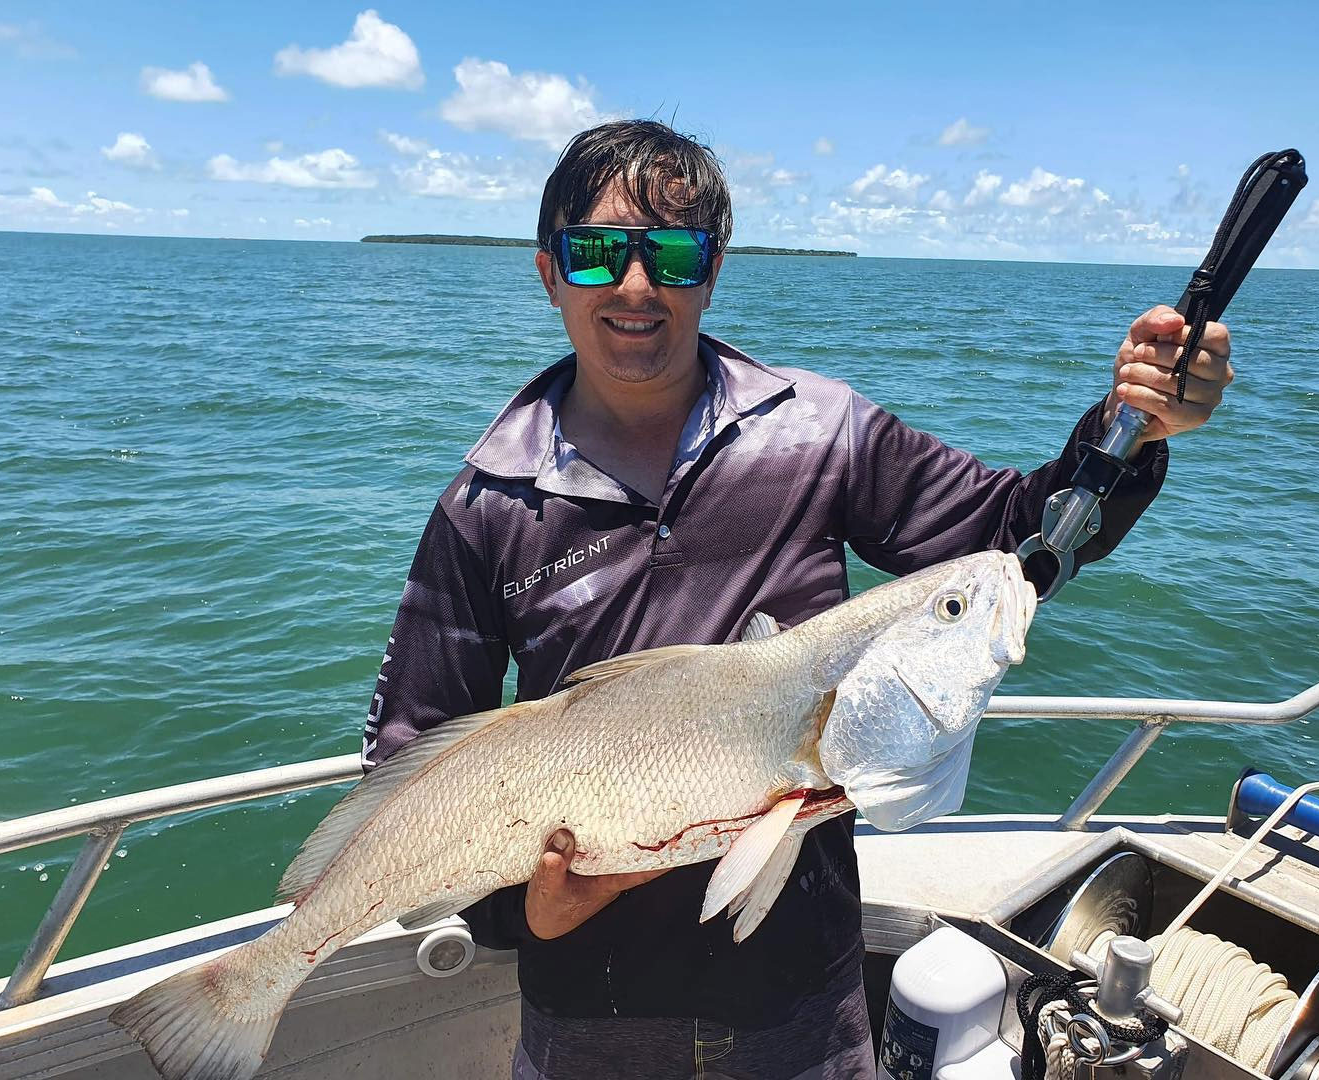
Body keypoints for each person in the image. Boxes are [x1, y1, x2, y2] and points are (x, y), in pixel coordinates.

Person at [362, 120, 1232, 1079]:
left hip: (803, 1005)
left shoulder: (820, 434)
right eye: (600, 250)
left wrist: (1134, 428)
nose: (637, 285)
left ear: (715, 268)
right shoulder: (486, 505)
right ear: (549, 272)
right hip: (584, 1017)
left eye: (676, 252)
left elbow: (1014, 542)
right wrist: (517, 911)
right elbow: (410, 755)